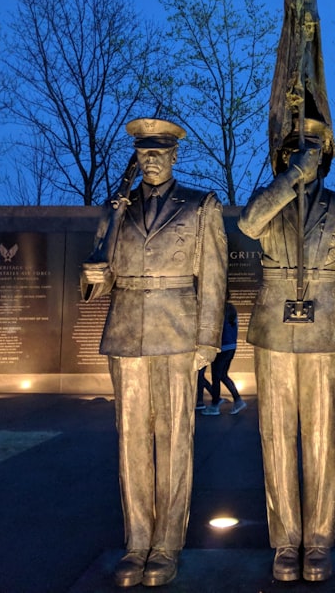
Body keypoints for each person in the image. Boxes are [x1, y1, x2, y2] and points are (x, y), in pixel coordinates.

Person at [81, 118, 227, 588]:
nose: (151, 160)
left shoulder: (200, 205)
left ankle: (167, 544)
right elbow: (99, 279)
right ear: (137, 157)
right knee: (131, 443)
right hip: (126, 332)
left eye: (159, 153)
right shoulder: (116, 209)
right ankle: (137, 541)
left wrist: (208, 339)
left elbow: (214, 277)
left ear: (174, 156)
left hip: (178, 332)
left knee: (175, 440)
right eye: (144, 154)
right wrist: (93, 278)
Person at [238, 116, 335, 583]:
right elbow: (249, 225)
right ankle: (285, 539)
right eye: (295, 148)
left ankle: (318, 540)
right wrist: (290, 178)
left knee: (320, 438)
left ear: (327, 154)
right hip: (274, 330)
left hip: (324, 329)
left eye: (312, 148)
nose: (305, 154)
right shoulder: (272, 200)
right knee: (275, 438)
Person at [200, 298, 246, 415]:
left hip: (221, 347)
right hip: (231, 346)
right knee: (223, 375)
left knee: (216, 377)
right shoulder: (231, 308)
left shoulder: (218, 310)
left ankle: (215, 405)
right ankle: (237, 400)